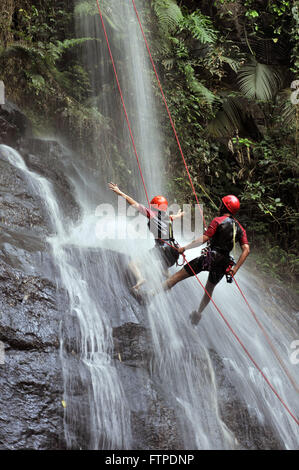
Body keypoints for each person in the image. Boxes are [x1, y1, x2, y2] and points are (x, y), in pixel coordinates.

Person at [154, 195, 250, 325]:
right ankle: (198, 313)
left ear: (224, 206)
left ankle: (149, 295)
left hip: (209, 258)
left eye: (221, 204)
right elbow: (246, 249)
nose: (219, 206)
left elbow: (203, 239)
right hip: (224, 264)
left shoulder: (218, 220)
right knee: (209, 290)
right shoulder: (239, 228)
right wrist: (235, 269)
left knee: (177, 276)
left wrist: (185, 248)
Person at [108, 182, 184, 292]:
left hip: (162, 250)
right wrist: (180, 215)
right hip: (174, 252)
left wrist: (120, 192)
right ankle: (168, 282)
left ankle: (140, 279)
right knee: (164, 267)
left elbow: (134, 203)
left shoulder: (152, 215)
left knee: (133, 264)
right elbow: (174, 216)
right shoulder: (168, 217)